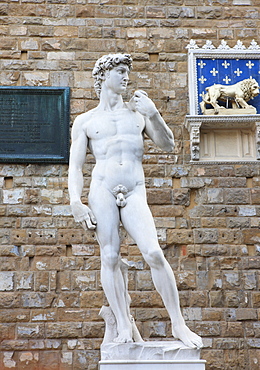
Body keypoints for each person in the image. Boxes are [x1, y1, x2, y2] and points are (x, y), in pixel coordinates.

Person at [68, 53, 203, 348]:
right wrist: (75, 202)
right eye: (120, 71)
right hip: (102, 190)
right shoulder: (86, 121)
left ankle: (178, 325)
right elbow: (75, 166)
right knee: (110, 256)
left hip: (134, 191)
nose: (126, 76)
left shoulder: (138, 112)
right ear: (104, 76)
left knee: (154, 253)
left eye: (127, 71)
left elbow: (168, 145)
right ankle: (123, 325)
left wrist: (154, 114)